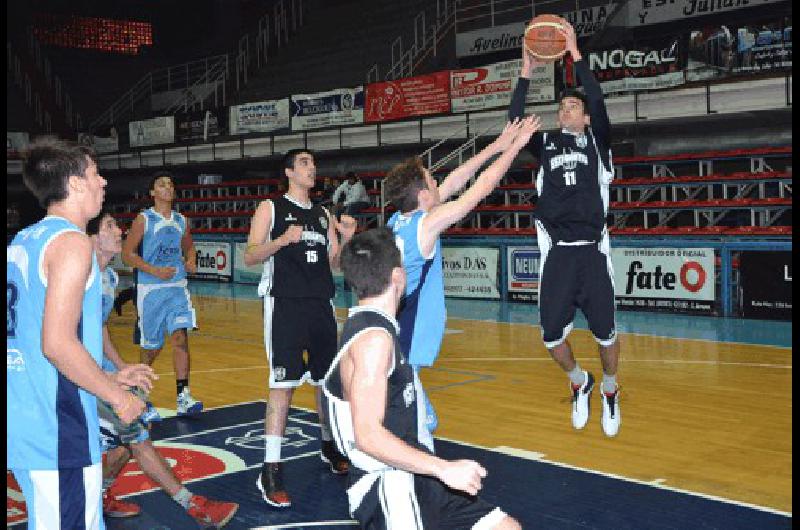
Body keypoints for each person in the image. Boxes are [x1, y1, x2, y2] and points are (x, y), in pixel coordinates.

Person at [322, 228, 522, 530]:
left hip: (415, 473)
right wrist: (444, 468)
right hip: (389, 485)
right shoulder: (373, 341)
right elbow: (368, 436)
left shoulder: (378, 328)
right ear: (398, 276)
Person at [7, 138, 148, 530]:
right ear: (74, 183)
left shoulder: (24, 240)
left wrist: (105, 375)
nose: (103, 182)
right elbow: (56, 344)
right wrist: (117, 397)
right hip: (57, 428)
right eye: (94, 174)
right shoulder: (72, 245)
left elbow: (33, 335)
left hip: (25, 415)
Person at [383, 116, 541, 446]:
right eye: (430, 178)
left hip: (395, 321)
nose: (437, 180)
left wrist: (496, 146)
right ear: (423, 193)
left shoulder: (398, 219)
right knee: (416, 419)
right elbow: (480, 188)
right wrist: (515, 149)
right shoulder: (426, 225)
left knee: (409, 405)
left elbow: (458, 179)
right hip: (410, 326)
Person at [87, 211, 239, 527]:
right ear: (91, 238)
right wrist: (105, 376)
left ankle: (99, 492)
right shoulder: (81, 277)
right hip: (78, 374)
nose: (120, 230)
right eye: (110, 226)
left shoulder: (109, 277)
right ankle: (194, 506)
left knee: (139, 426)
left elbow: (99, 329)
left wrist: (120, 366)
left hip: (99, 370)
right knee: (136, 432)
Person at [509, 20, 621, 436]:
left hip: (592, 250)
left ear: (586, 118)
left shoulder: (597, 143)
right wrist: (525, 72)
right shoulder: (547, 146)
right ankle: (580, 381)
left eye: (572, 108)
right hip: (557, 252)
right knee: (550, 336)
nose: (565, 112)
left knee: (607, 335)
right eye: (561, 108)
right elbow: (515, 121)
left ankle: (610, 388)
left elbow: (597, 98)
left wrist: (575, 52)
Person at [244, 149, 357, 508]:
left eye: (313, 163)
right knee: (283, 385)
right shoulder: (271, 208)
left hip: (321, 305)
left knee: (327, 383)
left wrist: (349, 237)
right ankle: (270, 469)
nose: (313, 169)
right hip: (285, 306)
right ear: (290, 171)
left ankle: (328, 444)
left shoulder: (324, 214)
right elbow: (249, 256)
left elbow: (336, 264)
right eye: (305, 163)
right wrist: (280, 241)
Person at [122, 171, 203, 417]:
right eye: (161, 184)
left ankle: (183, 396)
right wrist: (153, 270)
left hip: (177, 288)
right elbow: (127, 254)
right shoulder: (144, 220)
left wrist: (190, 261)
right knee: (151, 347)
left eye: (170, 183)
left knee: (180, 337)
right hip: (151, 291)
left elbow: (189, 248)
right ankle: (136, 393)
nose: (167, 187)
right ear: (152, 193)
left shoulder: (181, 221)